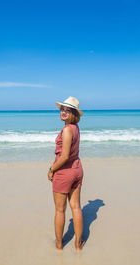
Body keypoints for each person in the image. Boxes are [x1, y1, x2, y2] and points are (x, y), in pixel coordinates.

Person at [48, 96, 85, 251]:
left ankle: (59, 244)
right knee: (76, 207)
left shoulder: (67, 129)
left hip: (65, 172)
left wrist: (52, 169)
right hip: (77, 169)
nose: (63, 112)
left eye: (67, 110)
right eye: (62, 109)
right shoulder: (76, 128)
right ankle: (78, 245)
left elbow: (64, 156)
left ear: (73, 114)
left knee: (60, 209)